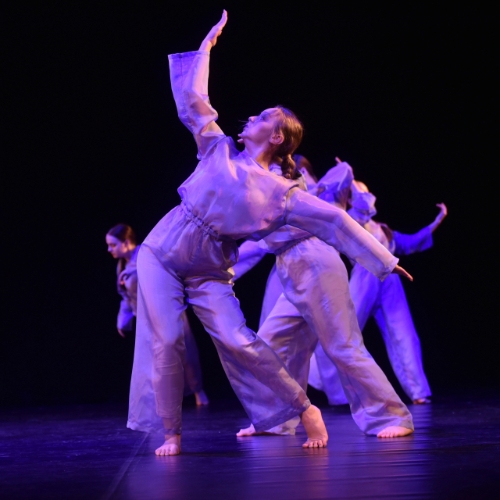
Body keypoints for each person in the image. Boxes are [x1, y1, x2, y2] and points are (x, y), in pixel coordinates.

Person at [127, 11, 411, 456]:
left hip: (269, 265)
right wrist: (205, 50)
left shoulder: (284, 191)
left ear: (277, 136)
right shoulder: (218, 150)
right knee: (212, 340)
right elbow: (193, 100)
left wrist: (384, 260)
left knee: (306, 344)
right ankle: (244, 423)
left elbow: (336, 220)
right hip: (190, 254)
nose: (250, 116)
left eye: (262, 117)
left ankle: (362, 414)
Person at [234, 161, 414, 438]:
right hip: (290, 267)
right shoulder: (264, 183)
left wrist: (384, 260)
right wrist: (216, 274)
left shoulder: (308, 191)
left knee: (343, 345)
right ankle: (277, 420)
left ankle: (392, 416)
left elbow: (339, 217)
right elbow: (254, 244)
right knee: (271, 343)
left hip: (317, 263)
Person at [345, 181, 447, 404]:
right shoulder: (350, 220)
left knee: (404, 334)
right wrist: (349, 178)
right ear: (351, 199)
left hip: (390, 279)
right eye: (359, 191)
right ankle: (333, 388)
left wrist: (438, 220)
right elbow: (361, 210)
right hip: (365, 275)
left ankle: (418, 392)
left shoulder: (383, 229)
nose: (366, 194)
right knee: (344, 331)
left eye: (366, 189)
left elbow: (410, 242)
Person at [106, 224, 209, 405]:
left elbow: (164, 276)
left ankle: (197, 390)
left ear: (126, 243)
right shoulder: (121, 265)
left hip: (166, 312)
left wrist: (131, 272)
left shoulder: (146, 255)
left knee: (184, 352)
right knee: (155, 359)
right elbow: (126, 297)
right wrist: (122, 321)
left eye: (113, 245)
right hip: (146, 319)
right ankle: (165, 400)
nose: (109, 249)